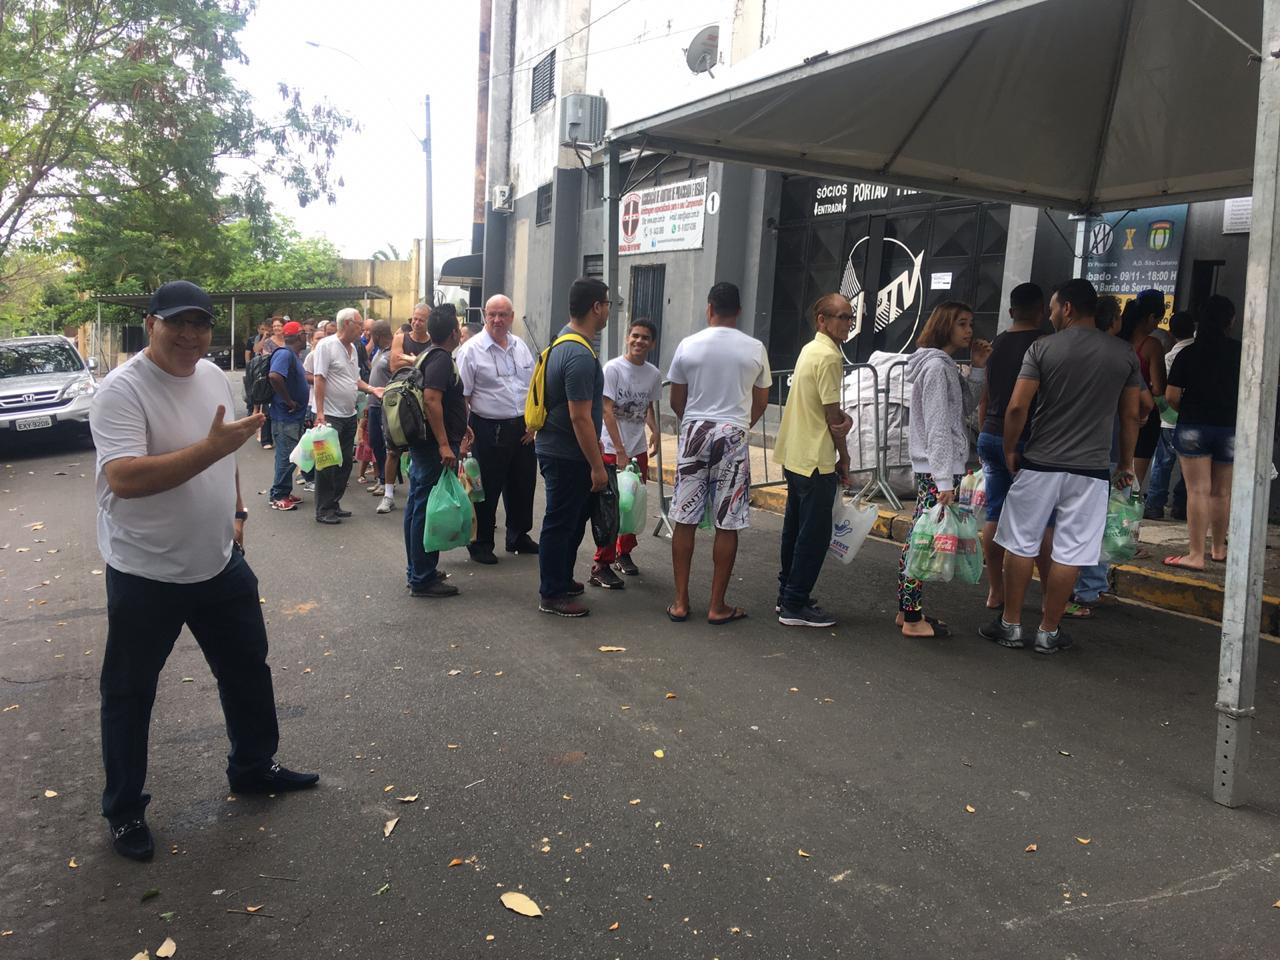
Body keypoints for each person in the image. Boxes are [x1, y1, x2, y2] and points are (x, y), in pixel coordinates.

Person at [90, 281, 317, 862]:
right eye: (178, 323)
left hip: (219, 562)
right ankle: (123, 812)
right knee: (130, 693)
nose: (191, 335)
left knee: (247, 670)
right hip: (146, 572)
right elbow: (126, 479)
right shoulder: (122, 391)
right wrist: (212, 452)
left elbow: (230, 445)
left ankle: (252, 766)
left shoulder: (214, 376)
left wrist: (238, 511)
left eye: (201, 324)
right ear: (151, 324)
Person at [981, 279, 1141, 654]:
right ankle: (1049, 631)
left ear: (1067, 308)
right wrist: (1127, 462)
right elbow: (1131, 414)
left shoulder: (1042, 348)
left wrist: (1009, 449)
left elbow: (1018, 406)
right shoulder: (1124, 354)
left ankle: (1012, 625)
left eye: (1053, 308)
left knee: (1021, 542)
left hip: (1040, 463)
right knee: (1070, 552)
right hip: (1091, 471)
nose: (1050, 314)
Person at [666, 282, 771, 625]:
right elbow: (761, 401)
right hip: (733, 432)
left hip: (695, 428)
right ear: (738, 311)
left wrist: (696, 425)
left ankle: (681, 602)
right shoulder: (755, 348)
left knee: (685, 516)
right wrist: (739, 426)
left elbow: (676, 401)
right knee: (727, 521)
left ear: (709, 308)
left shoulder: (688, 345)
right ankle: (716, 605)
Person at [898, 301, 991, 638]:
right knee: (924, 541)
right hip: (938, 466)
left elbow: (963, 407)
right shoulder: (937, 368)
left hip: (937, 465)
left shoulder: (943, 365)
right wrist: (943, 481)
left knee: (918, 537)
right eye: (962, 324)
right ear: (944, 326)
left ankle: (907, 611)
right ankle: (911, 618)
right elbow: (938, 426)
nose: (969, 331)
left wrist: (978, 369)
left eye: (970, 323)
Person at [772, 294, 853, 627]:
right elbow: (833, 417)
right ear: (822, 319)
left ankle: (787, 594)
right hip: (816, 459)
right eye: (842, 317)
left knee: (795, 529)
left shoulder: (811, 349)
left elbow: (821, 406)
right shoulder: (830, 357)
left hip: (796, 454)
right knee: (814, 535)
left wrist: (840, 420)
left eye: (850, 317)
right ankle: (794, 603)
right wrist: (844, 456)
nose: (848, 323)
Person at [535, 277, 612, 617]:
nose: (609, 310)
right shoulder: (579, 355)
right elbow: (580, 417)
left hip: (562, 449)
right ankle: (552, 594)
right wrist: (597, 465)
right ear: (596, 307)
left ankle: (562, 580)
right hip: (567, 453)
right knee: (560, 522)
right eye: (607, 303)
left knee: (570, 521)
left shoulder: (561, 344)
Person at [975, 283, 1052, 611]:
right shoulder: (1045, 346)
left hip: (991, 434)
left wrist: (985, 432)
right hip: (1025, 440)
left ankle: (995, 590)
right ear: (1042, 311)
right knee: (1042, 521)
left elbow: (985, 397)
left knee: (995, 511)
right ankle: (1051, 593)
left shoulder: (995, 346)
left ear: (1010, 311)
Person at [456, 293, 540, 564]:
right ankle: (480, 542)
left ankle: (518, 536)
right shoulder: (471, 350)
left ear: (512, 317)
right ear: (483, 315)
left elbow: (531, 388)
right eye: (492, 314)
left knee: (523, 484)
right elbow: (463, 397)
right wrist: (464, 434)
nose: (497, 320)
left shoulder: (520, 347)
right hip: (487, 427)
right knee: (486, 488)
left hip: (522, 428)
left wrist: (533, 423)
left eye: (503, 314)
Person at [1164, 295, 1241, 570]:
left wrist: (1190, 408)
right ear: (1230, 320)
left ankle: (1195, 555)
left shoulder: (1188, 353)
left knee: (1197, 491)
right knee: (1222, 492)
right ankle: (1219, 549)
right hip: (1231, 427)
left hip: (1193, 425)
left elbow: (1171, 395)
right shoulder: (1240, 352)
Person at [404, 304, 473, 597]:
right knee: (424, 507)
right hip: (433, 447)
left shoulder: (428, 355)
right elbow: (432, 400)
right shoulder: (441, 359)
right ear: (455, 332)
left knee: (417, 505)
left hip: (428, 444)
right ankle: (422, 577)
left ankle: (419, 570)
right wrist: (445, 443)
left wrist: (461, 427)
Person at [590, 317, 662, 588]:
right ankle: (601, 564)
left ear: (652, 343)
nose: (639, 341)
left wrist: (654, 430)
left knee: (633, 505)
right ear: (627, 338)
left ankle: (624, 553)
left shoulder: (654, 374)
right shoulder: (613, 369)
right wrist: (619, 450)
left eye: (645, 337)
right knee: (610, 509)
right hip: (611, 449)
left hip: (637, 450)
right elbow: (606, 410)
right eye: (635, 336)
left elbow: (647, 408)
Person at [311, 307, 383, 524]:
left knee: (344, 464)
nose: (363, 329)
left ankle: (334, 503)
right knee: (326, 465)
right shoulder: (326, 346)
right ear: (347, 324)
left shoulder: (352, 348)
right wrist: (320, 413)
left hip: (348, 415)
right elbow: (319, 378)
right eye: (359, 324)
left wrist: (372, 389)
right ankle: (323, 509)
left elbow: (355, 380)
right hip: (329, 417)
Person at [1144, 310, 1196, 520]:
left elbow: (1160, 388)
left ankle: (1155, 504)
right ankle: (1181, 506)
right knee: (1189, 465)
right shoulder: (1198, 354)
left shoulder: (1169, 357)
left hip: (1169, 418)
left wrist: (1166, 413)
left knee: (1163, 462)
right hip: (1192, 419)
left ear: (1171, 332)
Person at [1120, 290, 1168, 486]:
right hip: (1143, 416)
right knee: (1133, 481)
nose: (1156, 326)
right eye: (1157, 321)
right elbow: (1158, 388)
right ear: (1150, 318)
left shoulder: (1118, 339)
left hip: (1116, 410)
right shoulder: (1152, 345)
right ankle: (1125, 515)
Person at [266, 320, 308, 511]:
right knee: (286, 456)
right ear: (299, 336)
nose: (306, 337)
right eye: (305, 334)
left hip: (293, 416)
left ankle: (284, 490)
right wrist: (289, 401)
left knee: (289, 455)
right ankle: (278, 495)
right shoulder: (284, 354)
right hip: (285, 416)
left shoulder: (292, 355)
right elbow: (274, 376)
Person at [364, 320, 396, 511]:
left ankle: (386, 482)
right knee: (375, 442)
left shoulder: (392, 353)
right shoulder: (379, 352)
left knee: (386, 445)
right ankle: (381, 479)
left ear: (377, 336)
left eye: (371, 336)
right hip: (373, 405)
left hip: (385, 406)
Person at [390, 302, 432, 373]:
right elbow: (394, 367)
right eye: (415, 319)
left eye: (421, 320)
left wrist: (411, 360)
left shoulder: (433, 342)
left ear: (428, 322)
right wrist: (421, 361)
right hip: (403, 382)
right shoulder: (400, 339)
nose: (416, 323)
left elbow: (435, 365)